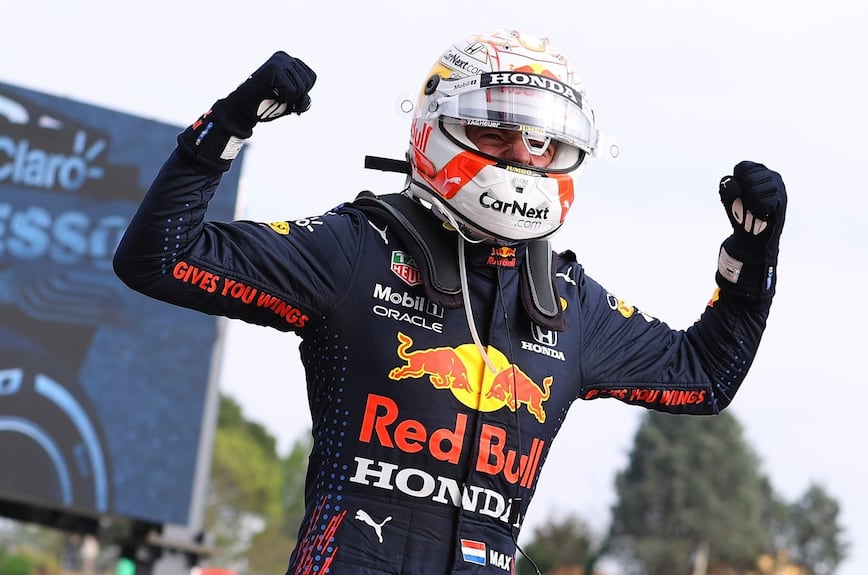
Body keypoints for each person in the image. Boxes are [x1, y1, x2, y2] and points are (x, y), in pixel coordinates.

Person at [113, 28, 786, 575]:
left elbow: (705, 376)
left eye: (541, 141)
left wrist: (751, 261)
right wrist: (227, 125)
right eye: (497, 133)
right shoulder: (356, 248)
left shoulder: (571, 304)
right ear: (439, 131)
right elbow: (158, 257)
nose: (522, 158)